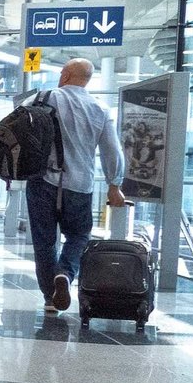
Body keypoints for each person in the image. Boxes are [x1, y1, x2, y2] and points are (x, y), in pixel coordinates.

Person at [27, 57, 126, 313]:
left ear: (66, 75)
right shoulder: (100, 109)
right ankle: (65, 273)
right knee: (79, 235)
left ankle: (50, 298)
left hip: (42, 181)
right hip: (79, 184)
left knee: (44, 242)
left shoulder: (43, 97)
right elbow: (111, 151)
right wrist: (114, 185)